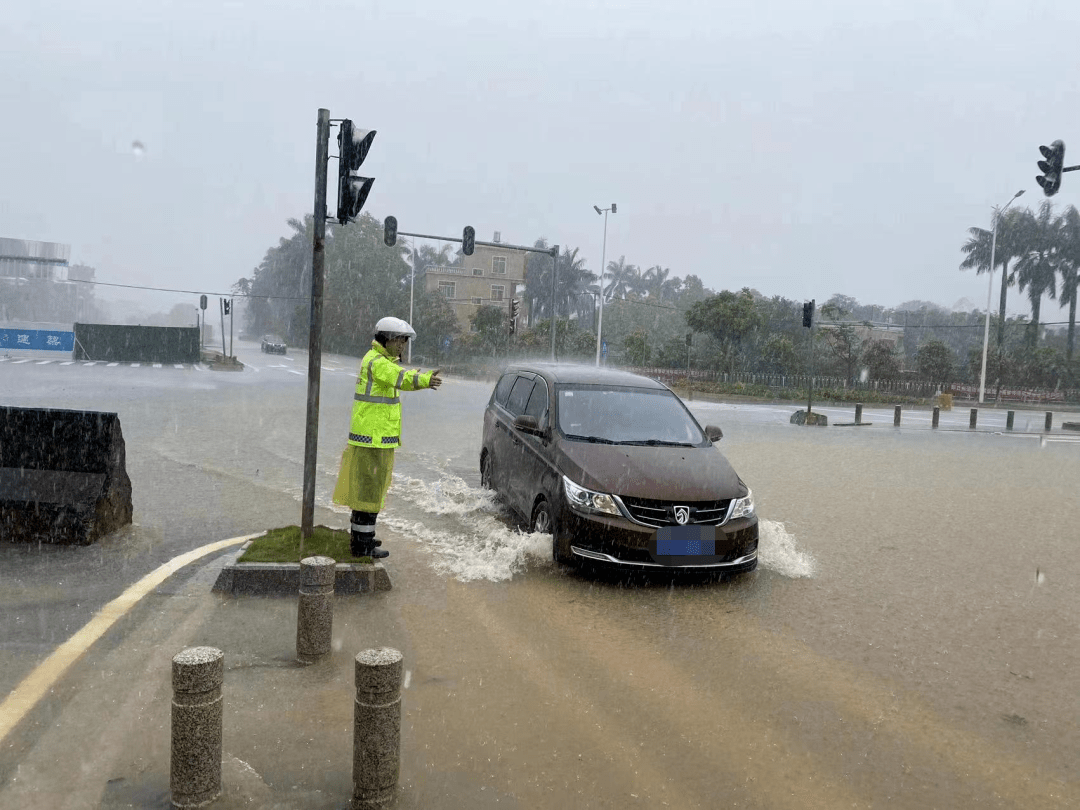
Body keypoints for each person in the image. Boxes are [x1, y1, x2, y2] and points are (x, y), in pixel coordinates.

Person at [332, 316, 442, 559]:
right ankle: (362, 546)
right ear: (389, 339)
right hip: (373, 439)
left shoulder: (377, 360)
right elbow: (400, 378)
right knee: (369, 494)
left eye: (405, 341)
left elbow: (396, 375)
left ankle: (363, 537)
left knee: (368, 492)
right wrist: (426, 380)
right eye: (401, 340)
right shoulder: (378, 363)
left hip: (374, 438)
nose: (403, 345)